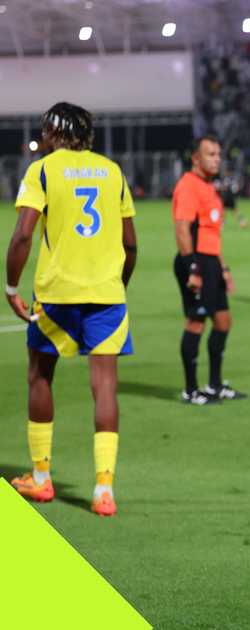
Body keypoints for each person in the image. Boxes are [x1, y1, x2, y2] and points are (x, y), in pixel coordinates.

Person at [5, 102, 137, 516]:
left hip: (57, 295)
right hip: (106, 296)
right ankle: (103, 490)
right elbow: (130, 244)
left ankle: (42, 478)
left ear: (52, 132)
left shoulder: (43, 170)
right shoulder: (112, 172)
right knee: (105, 386)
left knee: (40, 375)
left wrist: (11, 286)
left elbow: (23, 235)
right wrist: (117, 285)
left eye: (44, 132)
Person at [172, 135, 246, 404]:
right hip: (196, 262)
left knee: (223, 321)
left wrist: (223, 268)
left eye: (218, 154)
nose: (216, 159)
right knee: (196, 322)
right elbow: (182, 229)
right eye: (210, 154)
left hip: (211, 261)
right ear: (196, 158)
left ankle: (215, 384)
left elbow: (211, 233)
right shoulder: (189, 185)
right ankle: (191, 390)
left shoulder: (210, 187)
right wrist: (193, 268)